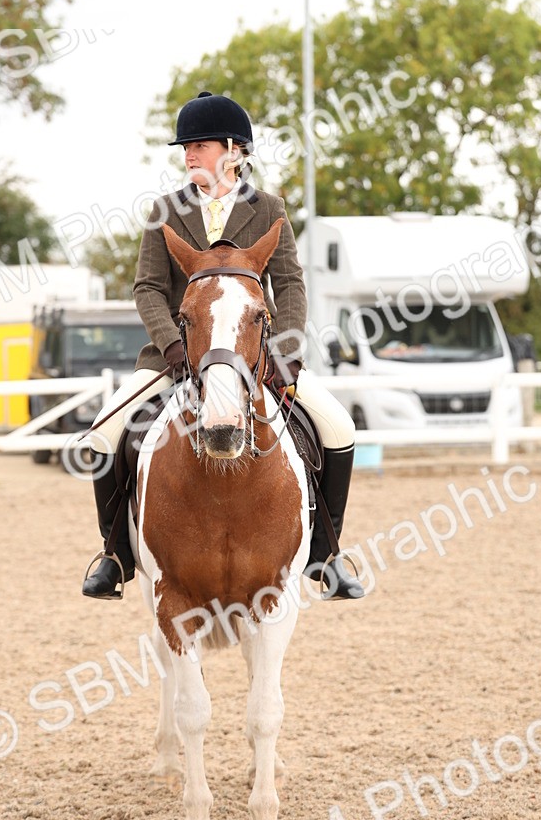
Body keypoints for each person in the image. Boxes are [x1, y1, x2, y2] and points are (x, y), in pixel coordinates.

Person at [82, 91, 364, 600]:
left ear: (234, 151)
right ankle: (115, 555)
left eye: (200, 145)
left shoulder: (269, 209)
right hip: (176, 356)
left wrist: (285, 351)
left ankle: (327, 553)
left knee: (339, 427)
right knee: (104, 433)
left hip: (256, 355)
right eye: (186, 147)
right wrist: (171, 344)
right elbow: (148, 288)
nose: (189, 154)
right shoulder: (165, 211)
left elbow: (290, 285)